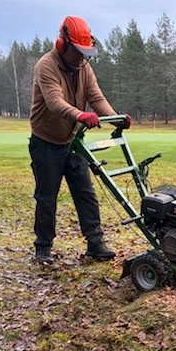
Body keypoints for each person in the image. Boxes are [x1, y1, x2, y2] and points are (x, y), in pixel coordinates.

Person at [29, 15, 132, 265]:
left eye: (85, 52)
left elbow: (96, 98)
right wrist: (81, 115)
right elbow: (54, 102)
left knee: (86, 193)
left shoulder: (84, 67)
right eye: (77, 52)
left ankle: (95, 244)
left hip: (74, 142)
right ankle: (43, 247)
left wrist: (115, 118)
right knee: (46, 197)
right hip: (46, 142)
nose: (81, 58)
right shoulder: (46, 66)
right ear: (63, 45)